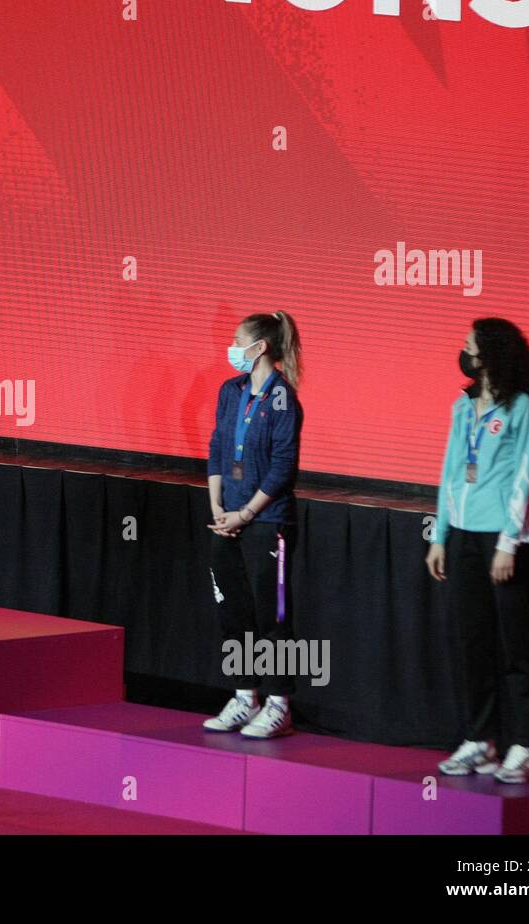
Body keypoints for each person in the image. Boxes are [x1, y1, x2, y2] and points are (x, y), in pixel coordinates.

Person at [427, 318, 529, 783]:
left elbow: (525, 479)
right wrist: (439, 537)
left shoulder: (523, 408)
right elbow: (450, 471)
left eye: (469, 344)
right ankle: (480, 739)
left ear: (491, 352)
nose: (463, 350)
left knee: (515, 644)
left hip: (504, 541)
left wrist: (508, 542)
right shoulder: (463, 406)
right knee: (470, 641)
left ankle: (525, 745)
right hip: (462, 536)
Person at [203, 312, 304, 739]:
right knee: (234, 612)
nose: (232, 348)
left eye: (237, 340)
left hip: (267, 522)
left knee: (271, 616)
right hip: (226, 518)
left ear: (259, 347)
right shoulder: (231, 391)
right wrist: (218, 508)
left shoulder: (283, 399)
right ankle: (245, 696)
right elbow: (217, 448)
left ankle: (279, 703)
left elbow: (282, 467)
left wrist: (246, 514)